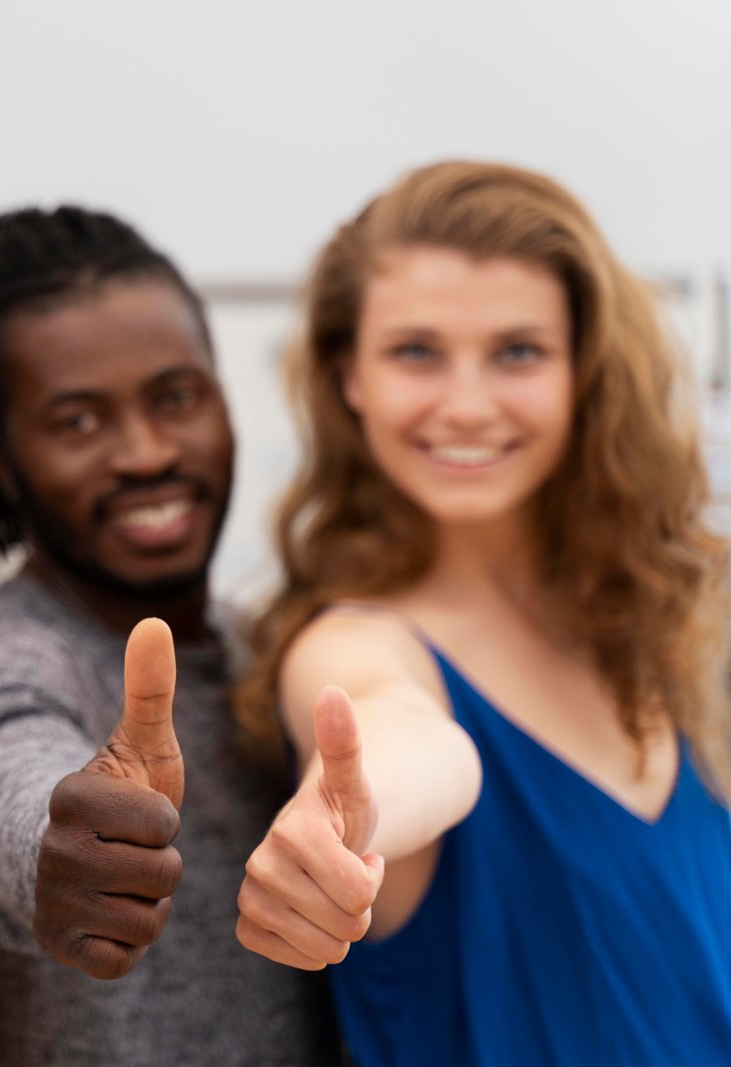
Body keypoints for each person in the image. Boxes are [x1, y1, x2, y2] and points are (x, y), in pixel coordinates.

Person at [233, 161, 731, 1066]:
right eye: (416, 351)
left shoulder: (677, 622)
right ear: (350, 376)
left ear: (584, 369)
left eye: (518, 351)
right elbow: (410, 742)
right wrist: (345, 820)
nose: (467, 404)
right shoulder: (354, 641)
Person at [0, 205, 341, 1066]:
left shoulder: (264, 646)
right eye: (79, 421)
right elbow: (4, 765)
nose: (146, 452)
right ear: (2, 463)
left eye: (176, 398)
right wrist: (61, 845)